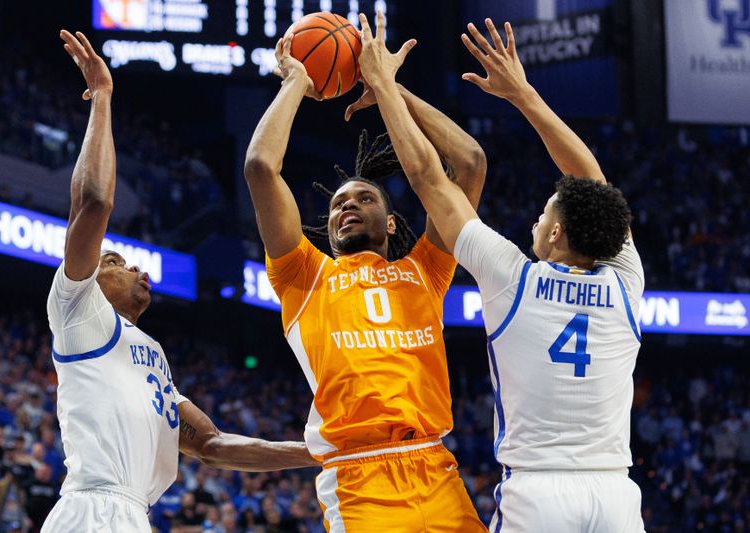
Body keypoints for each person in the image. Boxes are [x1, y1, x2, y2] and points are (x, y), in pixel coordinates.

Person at [360, 12, 645, 532]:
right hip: (616, 495)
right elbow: (593, 182)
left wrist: (383, 86)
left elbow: (429, 177)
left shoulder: (514, 280)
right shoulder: (625, 281)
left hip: (539, 492)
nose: (538, 218)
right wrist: (525, 95)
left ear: (556, 234)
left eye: (545, 214)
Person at [42, 30, 317, 533]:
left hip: (132, 514)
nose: (137, 269)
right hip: (92, 510)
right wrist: (102, 98)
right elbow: (94, 203)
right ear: (91, 278)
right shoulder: (76, 308)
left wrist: (317, 452)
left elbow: (211, 444)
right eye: (118, 263)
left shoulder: (152, 354)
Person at [243, 24, 487, 533]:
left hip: (437, 471)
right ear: (327, 227)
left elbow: (468, 162)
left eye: (364, 198)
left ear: (392, 222)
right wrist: (296, 83)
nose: (347, 206)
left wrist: (388, 89)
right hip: (360, 482)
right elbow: (261, 167)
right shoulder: (302, 276)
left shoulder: (426, 270)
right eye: (336, 204)